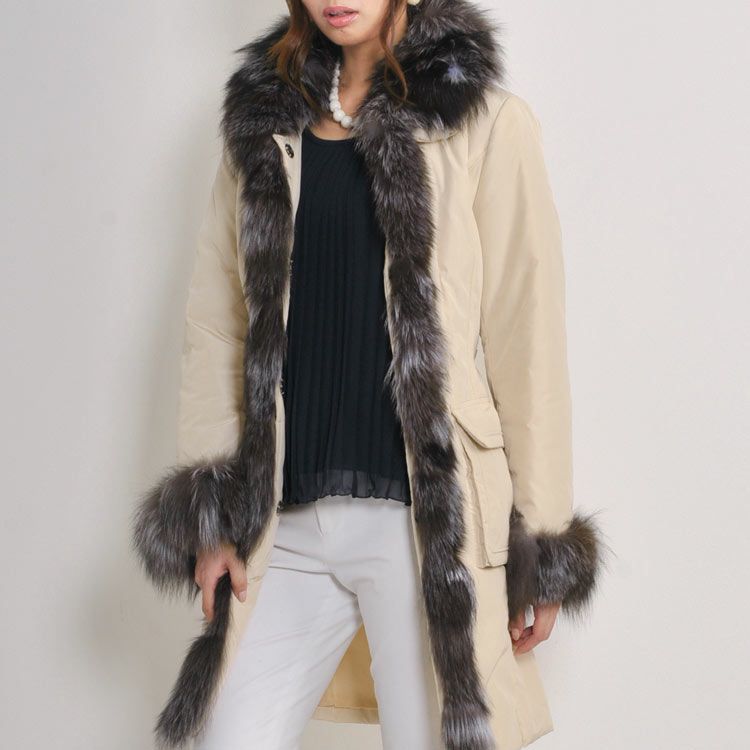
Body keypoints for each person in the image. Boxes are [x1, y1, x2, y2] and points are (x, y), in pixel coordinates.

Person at [131, 1, 605, 749]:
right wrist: (212, 517)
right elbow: (218, 326)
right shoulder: (263, 127)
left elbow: (528, 337)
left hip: (422, 526)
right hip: (284, 524)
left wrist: (541, 549)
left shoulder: (483, 123)